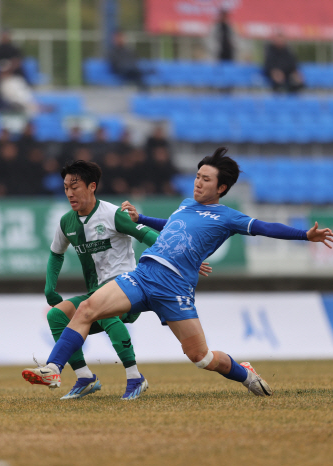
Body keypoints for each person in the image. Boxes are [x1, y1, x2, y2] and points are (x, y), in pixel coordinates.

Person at [22, 147, 333, 398]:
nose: (198, 182)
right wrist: (142, 217)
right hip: (144, 276)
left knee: (201, 357)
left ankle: (245, 373)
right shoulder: (186, 205)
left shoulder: (228, 217)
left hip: (176, 291)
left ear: (222, 187)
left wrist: (303, 235)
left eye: (206, 179)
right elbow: (171, 227)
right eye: (198, 176)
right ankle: (54, 368)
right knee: (89, 307)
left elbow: (265, 227)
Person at [23, 159, 212, 400]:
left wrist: (187, 258)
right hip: (96, 293)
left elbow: (149, 236)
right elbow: (56, 253)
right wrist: (50, 286)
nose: (69, 193)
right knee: (56, 315)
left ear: (92, 186)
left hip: (128, 288)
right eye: (66, 188)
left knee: (105, 310)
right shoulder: (66, 222)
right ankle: (84, 377)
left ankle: (135, 377)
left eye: (75, 186)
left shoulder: (113, 214)